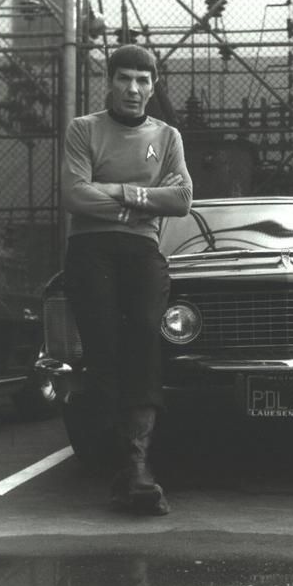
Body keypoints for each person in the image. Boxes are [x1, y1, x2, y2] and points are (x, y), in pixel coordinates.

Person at [61, 44, 193, 516]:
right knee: (104, 349)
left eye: (143, 80)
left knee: (142, 334)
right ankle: (126, 467)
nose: (133, 89)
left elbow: (181, 199)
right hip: (92, 249)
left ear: (153, 86)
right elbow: (75, 194)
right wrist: (142, 199)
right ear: (110, 81)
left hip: (142, 250)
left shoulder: (168, 136)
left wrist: (116, 193)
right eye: (124, 79)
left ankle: (136, 465)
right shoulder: (84, 129)